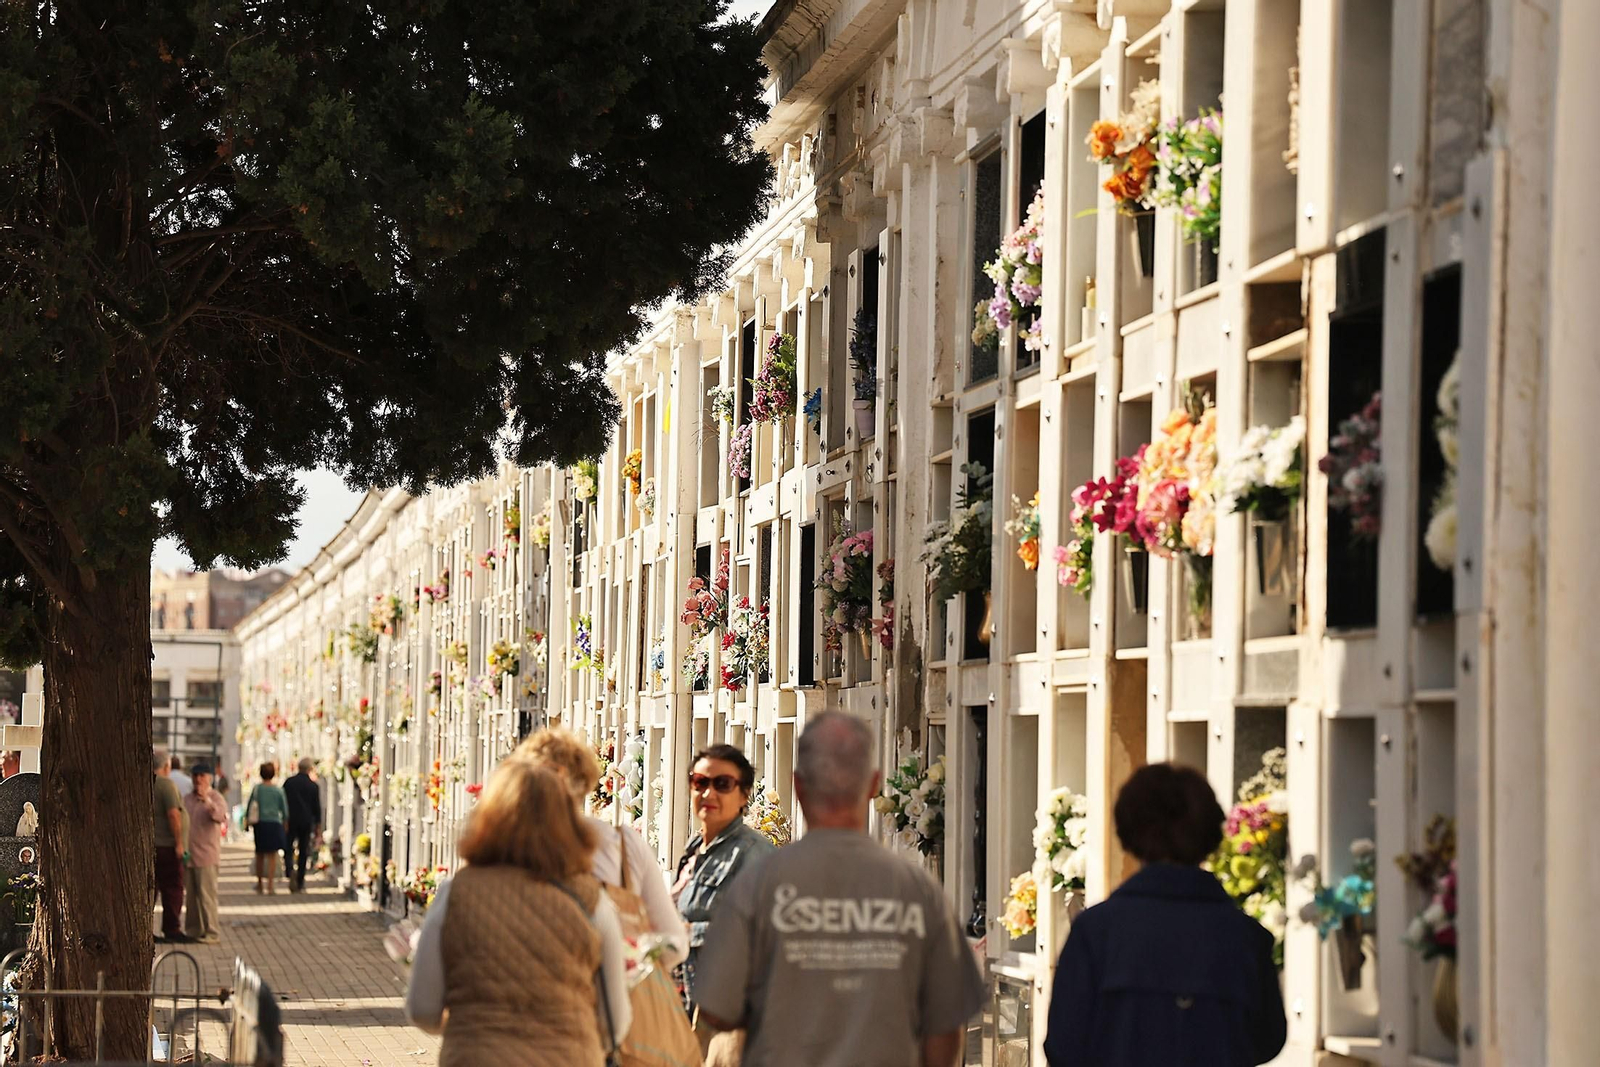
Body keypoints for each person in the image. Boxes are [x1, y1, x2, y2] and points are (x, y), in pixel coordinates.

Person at [696, 712, 984, 1067]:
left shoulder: (757, 885)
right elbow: (946, 1025)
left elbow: (718, 1010)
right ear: (874, 785)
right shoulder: (918, 892)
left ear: (798, 785)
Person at [1042, 763, 1287, 1067]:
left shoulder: (1095, 933)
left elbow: (1063, 1046)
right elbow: (1268, 1040)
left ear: (1127, 833)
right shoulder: (1247, 939)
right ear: (1210, 835)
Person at [405, 760, 632, 1065]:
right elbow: (615, 1023)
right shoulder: (592, 901)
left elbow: (423, 1009)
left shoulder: (456, 893)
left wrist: (470, 1027)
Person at [514, 729, 689, 967]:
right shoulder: (622, 845)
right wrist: (628, 963)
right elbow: (674, 944)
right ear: (584, 781)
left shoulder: (504, 846)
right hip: (608, 995)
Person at [669, 742, 774, 1029]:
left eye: (723, 784)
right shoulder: (696, 847)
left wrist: (691, 932)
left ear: (743, 795)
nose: (708, 793)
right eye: (700, 782)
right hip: (686, 1005)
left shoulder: (754, 854)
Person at [182, 763, 227, 943]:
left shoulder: (216, 797)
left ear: (209, 778)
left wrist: (207, 801)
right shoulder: (187, 799)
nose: (198, 779)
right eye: (195, 775)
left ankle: (212, 931)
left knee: (207, 895)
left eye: (202, 775)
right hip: (189, 854)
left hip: (207, 854)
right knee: (192, 897)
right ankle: (194, 930)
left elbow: (219, 816)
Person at [152, 746, 189, 943]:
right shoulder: (166, 784)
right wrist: (179, 844)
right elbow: (174, 815)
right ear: (166, 765)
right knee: (173, 887)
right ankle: (172, 928)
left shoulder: (148, 782)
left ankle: (146, 928)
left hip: (152, 845)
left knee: (152, 889)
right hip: (167, 844)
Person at [245, 762, 290, 895]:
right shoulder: (278, 790)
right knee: (272, 855)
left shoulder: (257, 789)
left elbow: (250, 805)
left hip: (260, 823)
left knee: (259, 854)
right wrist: (285, 823)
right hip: (274, 823)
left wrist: (247, 820)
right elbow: (284, 809)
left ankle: (259, 884)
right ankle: (270, 884)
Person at [282, 757, 323, 892]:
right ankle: (300, 880)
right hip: (306, 821)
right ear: (310, 769)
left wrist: (283, 818)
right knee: (303, 849)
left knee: (288, 846)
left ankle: (289, 870)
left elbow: (283, 802)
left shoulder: (289, 783)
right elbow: (317, 807)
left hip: (291, 819)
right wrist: (318, 824)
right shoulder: (313, 786)